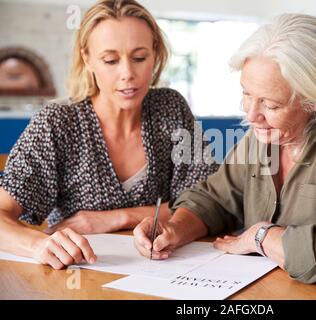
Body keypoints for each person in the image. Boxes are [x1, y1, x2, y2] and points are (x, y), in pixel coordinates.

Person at [133, 14, 316, 299]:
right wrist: (175, 227)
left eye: (271, 104)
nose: (252, 115)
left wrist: (261, 236)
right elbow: (215, 198)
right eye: (247, 94)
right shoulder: (263, 137)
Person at [0, 0, 217, 270]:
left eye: (139, 58)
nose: (127, 74)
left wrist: (116, 218)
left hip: (164, 271)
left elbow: (208, 203)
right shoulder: (57, 122)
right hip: (80, 277)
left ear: (155, 52)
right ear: (87, 58)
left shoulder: (170, 108)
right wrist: (37, 245)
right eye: (111, 60)